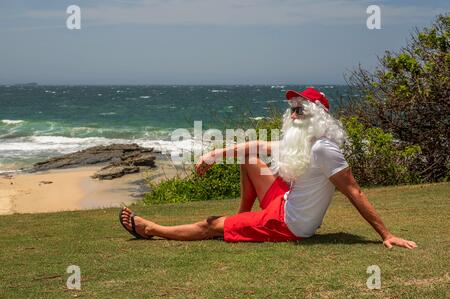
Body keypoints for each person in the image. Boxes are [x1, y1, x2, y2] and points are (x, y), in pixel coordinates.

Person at [119, 87, 417, 249]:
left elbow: (354, 191)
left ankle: (151, 229)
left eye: (301, 109)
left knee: (211, 225)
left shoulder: (323, 149)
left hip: (289, 226)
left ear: (318, 116)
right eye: (293, 109)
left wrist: (385, 234)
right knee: (250, 161)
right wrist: (214, 154)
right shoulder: (302, 141)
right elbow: (255, 148)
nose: (294, 113)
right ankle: (243, 219)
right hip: (283, 203)